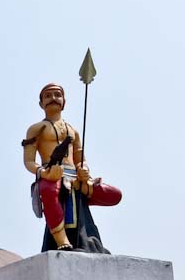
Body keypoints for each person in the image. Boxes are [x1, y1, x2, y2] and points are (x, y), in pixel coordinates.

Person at [22, 83, 122, 252]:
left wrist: (84, 170)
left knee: (114, 194)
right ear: (41, 104)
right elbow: (29, 161)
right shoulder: (36, 129)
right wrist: (44, 172)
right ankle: (62, 240)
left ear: (64, 102)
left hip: (76, 178)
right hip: (52, 173)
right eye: (48, 96)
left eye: (57, 95)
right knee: (48, 191)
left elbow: (80, 158)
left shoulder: (73, 131)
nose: (53, 98)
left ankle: (86, 239)